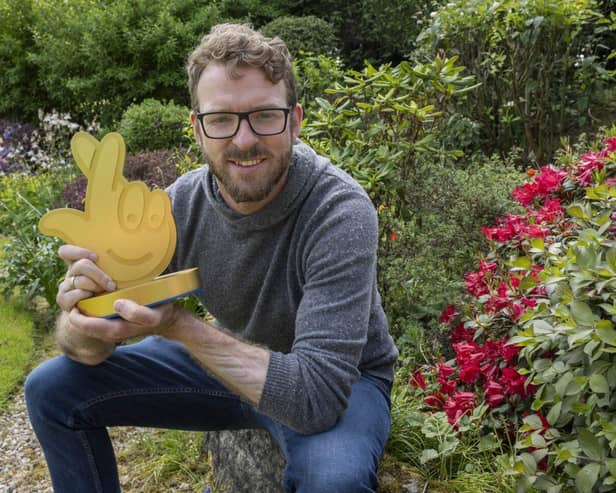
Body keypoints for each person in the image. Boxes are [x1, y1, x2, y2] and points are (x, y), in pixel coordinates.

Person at [25, 23, 398, 493]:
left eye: (264, 115)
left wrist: (177, 325)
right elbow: (87, 350)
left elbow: (315, 399)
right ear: (197, 128)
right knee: (51, 389)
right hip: (231, 365)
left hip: (341, 381)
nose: (243, 140)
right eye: (221, 119)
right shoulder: (178, 207)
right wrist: (84, 318)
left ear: (296, 120)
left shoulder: (338, 211)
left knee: (334, 482)